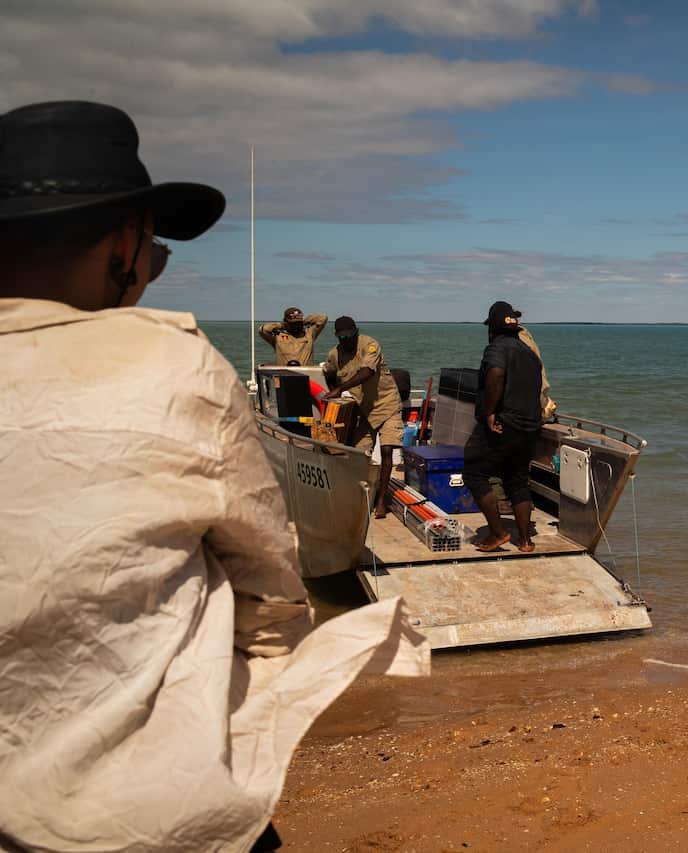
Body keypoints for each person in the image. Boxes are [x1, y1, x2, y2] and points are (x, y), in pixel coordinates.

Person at [0, 101, 428, 853]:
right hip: (148, 809)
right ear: (123, 246)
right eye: (157, 249)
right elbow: (269, 592)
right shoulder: (175, 368)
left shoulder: (344, 347)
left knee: (374, 445)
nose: (154, 267)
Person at [462, 301, 545, 552]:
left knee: (474, 472)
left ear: (492, 329)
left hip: (503, 424)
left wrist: (489, 412)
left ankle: (498, 533)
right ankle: (525, 541)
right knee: (516, 480)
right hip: (529, 427)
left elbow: (496, 374)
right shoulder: (530, 354)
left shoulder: (497, 347)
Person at [321, 315, 403, 516]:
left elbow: (367, 372)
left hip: (387, 405)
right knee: (359, 455)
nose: (346, 340)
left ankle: (382, 501)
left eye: (349, 336)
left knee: (386, 450)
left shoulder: (370, 345)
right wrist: (334, 391)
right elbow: (328, 373)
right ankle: (361, 495)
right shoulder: (334, 354)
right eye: (341, 337)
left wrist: (340, 389)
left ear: (356, 333)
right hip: (364, 411)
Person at [258, 306, 327, 365]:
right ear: (286, 322)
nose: (296, 326)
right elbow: (263, 329)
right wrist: (282, 325)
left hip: (305, 373)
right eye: (293, 324)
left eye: (298, 323)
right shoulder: (278, 336)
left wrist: (303, 321)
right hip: (284, 374)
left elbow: (323, 318)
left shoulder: (309, 333)